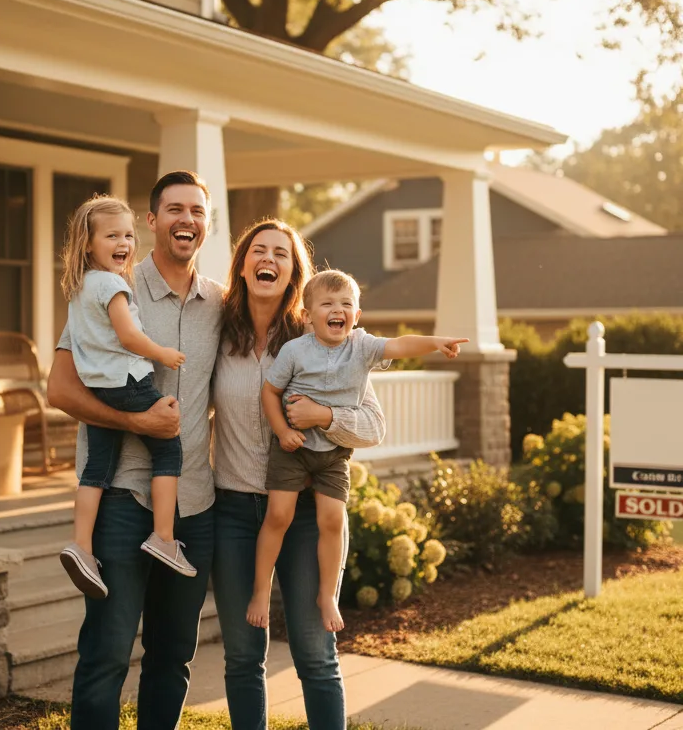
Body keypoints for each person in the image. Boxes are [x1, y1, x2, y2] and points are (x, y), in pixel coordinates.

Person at [47, 171, 221, 730]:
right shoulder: (107, 284)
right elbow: (60, 390)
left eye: (196, 210)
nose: (185, 220)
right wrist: (134, 418)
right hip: (122, 498)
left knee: (172, 658)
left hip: (193, 501)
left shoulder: (220, 303)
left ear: (207, 223)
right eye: (174, 209)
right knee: (106, 655)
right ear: (152, 222)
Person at [211, 219, 386, 730]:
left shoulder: (324, 341)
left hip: (307, 511)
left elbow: (373, 426)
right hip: (235, 511)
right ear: (243, 265)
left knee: (315, 652)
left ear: (293, 273)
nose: (268, 259)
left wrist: (326, 418)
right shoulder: (218, 334)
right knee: (243, 655)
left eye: (280, 254)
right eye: (258, 250)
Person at [246, 268, 469, 634]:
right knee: (279, 517)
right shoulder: (295, 350)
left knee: (332, 520)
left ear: (357, 316)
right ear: (307, 315)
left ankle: (327, 594)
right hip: (294, 448)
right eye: (328, 304)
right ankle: (260, 592)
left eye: (347, 304)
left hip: (333, 453)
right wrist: (282, 431)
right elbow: (269, 392)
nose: (339, 309)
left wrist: (436, 341)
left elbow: (400, 344)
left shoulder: (362, 346)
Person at [58, 195, 195, 599]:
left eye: (129, 235)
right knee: (168, 449)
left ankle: (81, 546)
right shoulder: (114, 284)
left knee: (97, 467)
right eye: (112, 235)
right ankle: (164, 536)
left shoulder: (80, 286)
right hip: (128, 381)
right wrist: (162, 353)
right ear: (88, 243)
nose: (125, 243)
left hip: (98, 386)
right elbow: (128, 336)